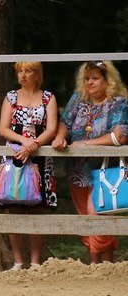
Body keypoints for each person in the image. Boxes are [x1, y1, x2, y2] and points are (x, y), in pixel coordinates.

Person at [52, 60, 128, 263]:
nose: (90, 83)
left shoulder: (118, 103)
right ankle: (104, 263)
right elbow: (65, 123)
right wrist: (60, 137)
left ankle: (97, 263)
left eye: (95, 78)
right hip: (77, 169)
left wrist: (88, 143)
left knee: (97, 213)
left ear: (108, 81)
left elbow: (120, 136)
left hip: (105, 170)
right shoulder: (78, 99)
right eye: (87, 78)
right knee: (85, 217)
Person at [0, 62, 58, 271]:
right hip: (16, 153)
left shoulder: (48, 97)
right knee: (14, 203)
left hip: (40, 155)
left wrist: (35, 144)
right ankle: (17, 261)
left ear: (37, 74)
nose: (23, 75)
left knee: (38, 207)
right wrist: (24, 142)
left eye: (28, 71)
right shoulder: (11, 97)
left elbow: (51, 129)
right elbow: (3, 128)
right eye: (20, 71)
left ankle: (35, 262)